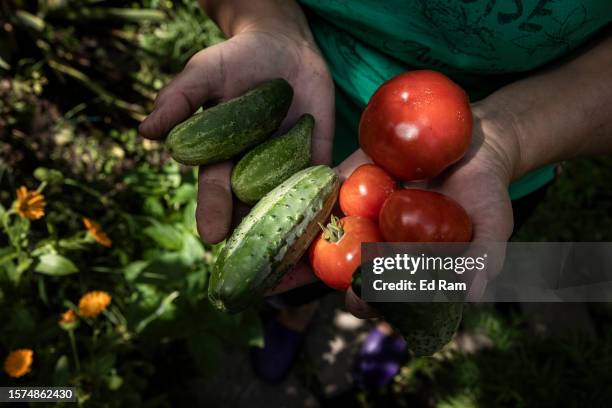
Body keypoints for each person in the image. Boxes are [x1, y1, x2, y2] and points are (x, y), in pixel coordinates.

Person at [139, 0, 612, 386]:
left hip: (478, 166)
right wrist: (266, 20)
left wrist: (514, 137)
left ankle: (390, 327)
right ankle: (293, 321)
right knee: (297, 279)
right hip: (312, 106)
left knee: (403, 286)